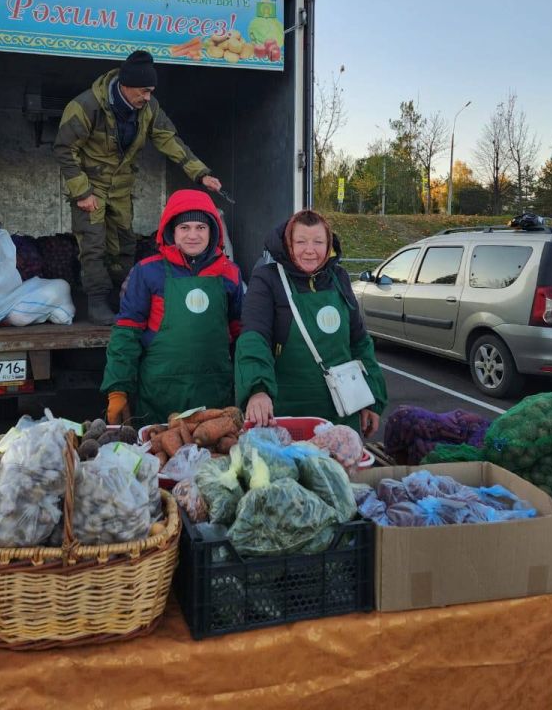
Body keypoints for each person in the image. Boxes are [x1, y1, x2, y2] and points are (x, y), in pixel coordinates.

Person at [53, 50, 222, 325]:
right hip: (91, 187)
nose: (147, 97)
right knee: (93, 244)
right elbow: (64, 149)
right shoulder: (86, 106)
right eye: (144, 91)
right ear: (125, 85)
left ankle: (124, 296)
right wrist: (81, 192)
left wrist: (200, 174)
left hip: (121, 188)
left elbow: (170, 140)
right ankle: (96, 302)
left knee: (124, 244)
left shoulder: (149, 108)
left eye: (151, 91)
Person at [234, 208, 386, 436]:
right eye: (301, 242)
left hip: (342, 412)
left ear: (329, 245)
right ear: (288, 244)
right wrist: (257, 389)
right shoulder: (268, 279)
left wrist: (372, 397)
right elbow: (254, 338)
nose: (310, 251)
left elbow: (360, 342)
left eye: (318, 242)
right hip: (286, 413)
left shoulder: (340, 277)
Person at [101, 189, 243, 425]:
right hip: (160, 395)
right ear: (171, 231)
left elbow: (242, 336)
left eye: (201, 227)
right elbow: (127, 333)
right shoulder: (147, 272)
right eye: (184, 228)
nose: (193, 235)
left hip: (215, 395)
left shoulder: (230, 273)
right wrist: (118, 390)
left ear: (213, 231)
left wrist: (251, 387)